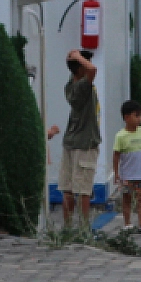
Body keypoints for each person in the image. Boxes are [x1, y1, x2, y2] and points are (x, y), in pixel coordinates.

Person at [59, 49, 100, 227]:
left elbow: (86, 69)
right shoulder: (82, 86)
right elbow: (93, 70)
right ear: (80, 69)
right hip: (85, 142)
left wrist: (74, 58)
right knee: (84, 189)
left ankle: (68, 227)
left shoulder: (70, 85)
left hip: (70, 141)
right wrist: (78, 58)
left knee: (67, 189)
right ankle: (84, 227)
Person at [112, 100, 141, 234]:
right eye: (136, 116)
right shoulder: (120, 136)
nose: (139, 119)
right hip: (127, 175)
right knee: (127, 199)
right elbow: (116, 155)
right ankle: (127, 223)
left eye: (140, 116)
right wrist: (116, 173)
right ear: (126, 117)